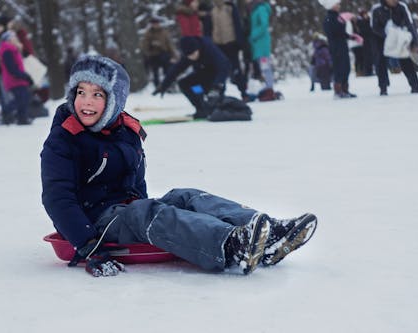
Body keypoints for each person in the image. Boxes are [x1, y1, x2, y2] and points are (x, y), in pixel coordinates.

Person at [40, 54, 318, 277]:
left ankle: (265, 232)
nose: (86, 101)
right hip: (92, 222)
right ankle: (231, 245)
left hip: (124, 210)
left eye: (98, 94)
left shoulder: (125, 131)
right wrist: (88, 246)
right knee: (145, 212)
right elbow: (58, 198)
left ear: (114, 101)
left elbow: (135, 183)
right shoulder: (64, 140)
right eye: (81, 91)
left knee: (184, 196)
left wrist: (148, 217)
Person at [153, 36, 231, 119]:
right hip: (201, 76)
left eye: (193, 54)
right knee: (186, 84)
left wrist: (217, 86)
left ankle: (216, 108)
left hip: (216, 78)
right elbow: (176, 70)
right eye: (189, 56)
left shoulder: (210, 50)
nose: (192, 57)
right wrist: (164, 85)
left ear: (198, 49)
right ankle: (201, 109)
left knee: (213, 101)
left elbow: (224, 67)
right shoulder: (188, 54)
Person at [371, 0, 418, 95]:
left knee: (407, 62)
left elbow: (410, 24)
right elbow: (374, 27)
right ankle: (383, 88)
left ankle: (415, 86)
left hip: (400, 39)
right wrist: (388, 34)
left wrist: (416, 43)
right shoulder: (376, 9)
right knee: (381, 64)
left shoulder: (402, 7)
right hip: (383, 41)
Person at [211, 0, 249, 101]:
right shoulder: (213, 10)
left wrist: (240, 42)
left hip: (231, 43)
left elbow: (237, 24)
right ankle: (221, 93)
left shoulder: (230, 7)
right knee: (220, 69)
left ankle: (243, 92)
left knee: (236, 69)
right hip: (218, 44)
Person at [320, 0, 358, 98]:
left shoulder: (338, 17)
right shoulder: (329, 18)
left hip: (342, 46)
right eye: (337, 4)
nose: (339, 5)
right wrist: (343, 20)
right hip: (335, 47)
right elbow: (334, 33)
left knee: (346, 68)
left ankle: (345, 90)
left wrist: (351, 37)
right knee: (339, 68)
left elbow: (341, 33)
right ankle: (338, 90)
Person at [0, 30, 33, 125]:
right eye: (14, 37)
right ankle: (6, 113)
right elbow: (12, 68)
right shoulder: (7, 50)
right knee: (20, 99)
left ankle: (22, 118)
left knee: (24, 98)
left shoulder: (13, 49)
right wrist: (24, 76)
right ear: (8, 39)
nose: (16, 39)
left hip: (18, 79)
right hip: (13, 79)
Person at [246, 0, 277, 101]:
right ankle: (265, 88)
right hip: (257, 44)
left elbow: (264, 24)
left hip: (262, 44)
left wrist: (253, 35)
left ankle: (269, 89)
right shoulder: (254, 9)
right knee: (261, 67)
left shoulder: (261, 8)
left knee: (265, 67)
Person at [140, 17, 177, 88]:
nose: (155, 25)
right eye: (154, 23)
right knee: (155, 72)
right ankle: (157, 86)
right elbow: (144, 45)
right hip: (153, 55)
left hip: (164, 54)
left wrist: (174, 55)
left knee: (167, 70)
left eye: (156, 23)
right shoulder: (148, 33)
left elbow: (169, 44)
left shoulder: (164, 32)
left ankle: (169, 85)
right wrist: (151, 45)